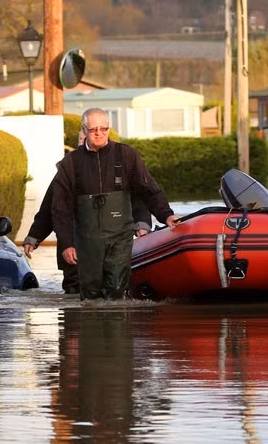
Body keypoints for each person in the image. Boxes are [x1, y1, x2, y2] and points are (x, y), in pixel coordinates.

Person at [52, 108, 179, 300]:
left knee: (117, 287)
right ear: (84, 130)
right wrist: (66, 244)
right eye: (93, 129)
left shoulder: (127, 154)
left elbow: (149, 188)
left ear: (109, 128)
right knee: (91, 294)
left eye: (104, 128)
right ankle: (93, 326)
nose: (99, 133)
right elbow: (60, 208)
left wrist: (166, 214)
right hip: (87, 241)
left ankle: (118, 325)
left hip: (120, 236)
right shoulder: (70, 162)